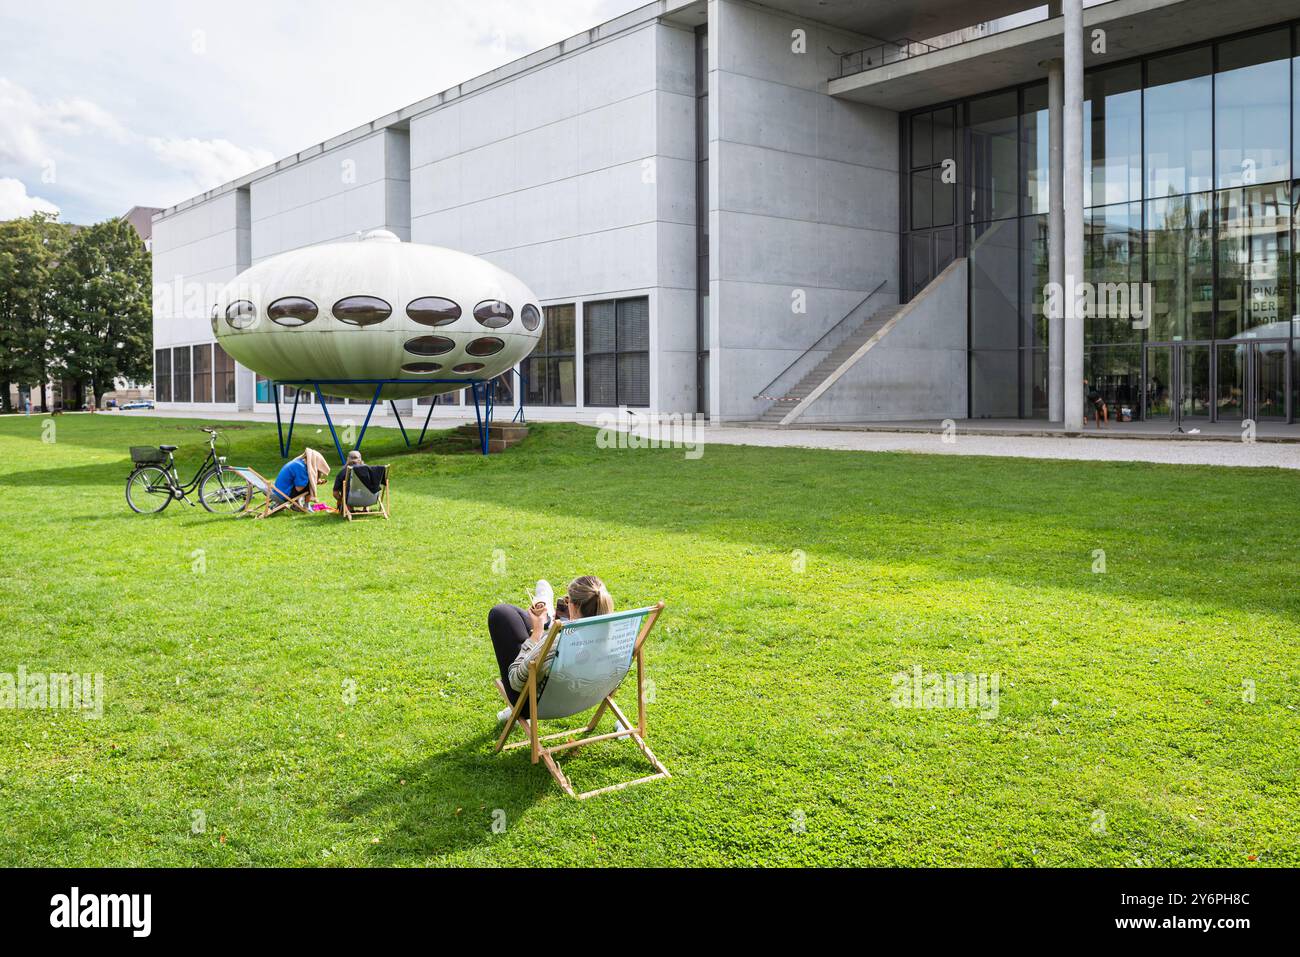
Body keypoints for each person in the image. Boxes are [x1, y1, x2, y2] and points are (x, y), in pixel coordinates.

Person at [487, 576, 613, 725]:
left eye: (567, 601)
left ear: (575, 607)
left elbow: (516, 680)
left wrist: (537, 634)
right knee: (515, 616)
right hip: (590, 695)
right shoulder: (617, 635)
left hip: (536, 704)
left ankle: (545, 621)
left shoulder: (558, 643)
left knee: (501, 614)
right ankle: (547, 618)